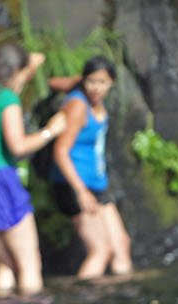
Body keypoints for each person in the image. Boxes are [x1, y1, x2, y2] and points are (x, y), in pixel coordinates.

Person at [0, 45, 66, 296]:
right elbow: (17, 146)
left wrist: (28, 66)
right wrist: (51, 130)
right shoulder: (7, 100)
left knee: (5, 265)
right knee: (29, 264)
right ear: (17, 72)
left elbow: (6, 76)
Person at [50, 56, 133, 279]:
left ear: (112, 82)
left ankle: (122, 303)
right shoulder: (78, 105)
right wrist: (80, 191)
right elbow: (60, 152)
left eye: (102, 82)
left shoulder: (96, 101)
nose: (95, 88)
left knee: (121, 245)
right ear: (83, 80)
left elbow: (55, 83)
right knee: (100, 251)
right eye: (91, 82)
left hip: (96, 183)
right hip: (75, 185)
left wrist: (78, 80)